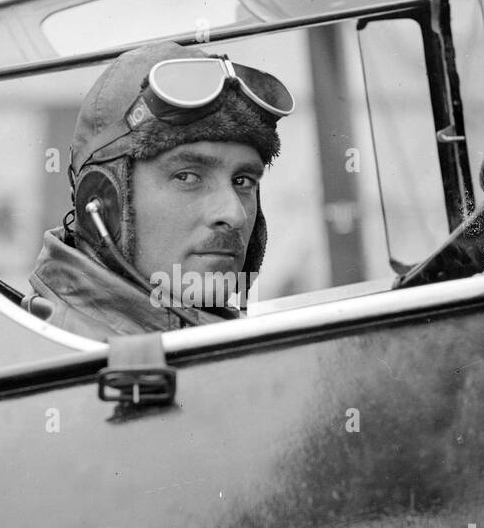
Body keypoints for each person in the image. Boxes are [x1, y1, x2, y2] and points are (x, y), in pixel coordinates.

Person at [21, 40, 294, 340]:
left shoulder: (208, 341)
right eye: (187, 176)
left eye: (242, 181)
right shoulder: (63, 365)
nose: (234, 214)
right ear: (101, 201)